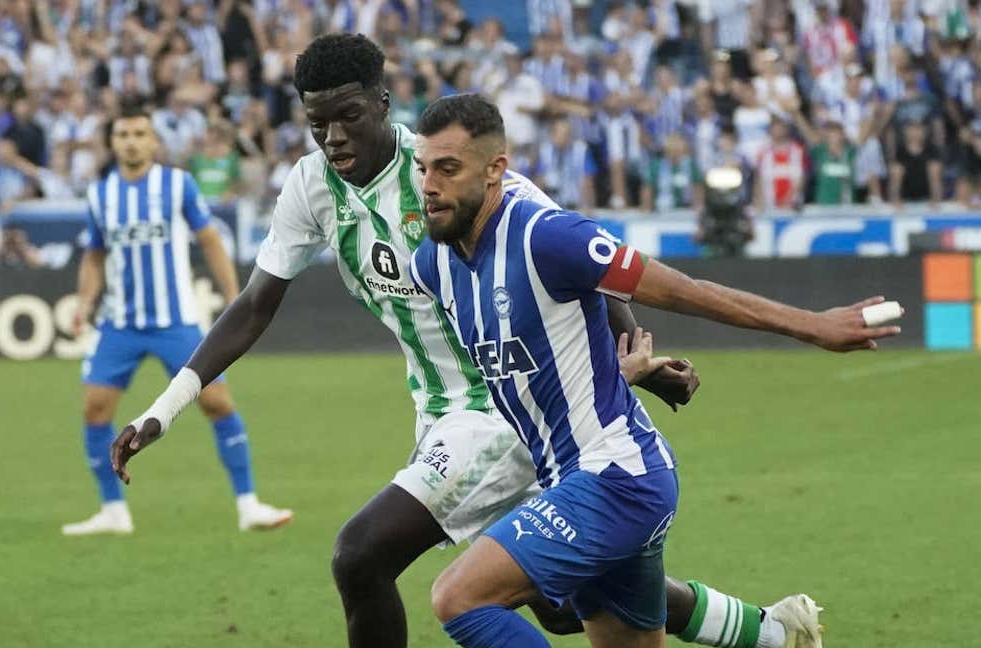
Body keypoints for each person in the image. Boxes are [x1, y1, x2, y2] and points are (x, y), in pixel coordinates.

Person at [111, 34, 823, 648]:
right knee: (562, 602)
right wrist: (164, 407)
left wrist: (633, 352)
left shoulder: (453, 170)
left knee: (361, 556)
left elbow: (572, 260)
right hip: (438, 413)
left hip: (501, 406)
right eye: (317, 123)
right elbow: (254, 304)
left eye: (348, 117)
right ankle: (765, 629)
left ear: (384, 105)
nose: (334, 138)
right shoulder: (311, 187)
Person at [411, 93, 898, 648]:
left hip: (614, 476)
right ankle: (777, 634)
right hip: (580, 480)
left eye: (448, 169)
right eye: (424, 168)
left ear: (497, 169)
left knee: (458, 597)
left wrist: (812, 325)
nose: (430, 184)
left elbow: (684, 293)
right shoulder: (433, 265)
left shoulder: (548, 236)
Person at [62, 104, 291, 535]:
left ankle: (248, 504)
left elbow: (209, 239)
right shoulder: (100, 195)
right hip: (120, 322)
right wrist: (84, 302)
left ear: (153, 142)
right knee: (95, 409)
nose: (131, 141)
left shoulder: (176, 185)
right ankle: (113, 510)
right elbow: (94, 256)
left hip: (175, 320)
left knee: (217, 402)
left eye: (139, 133)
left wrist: (233, 296)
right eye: (123, 134)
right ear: (113, 143)